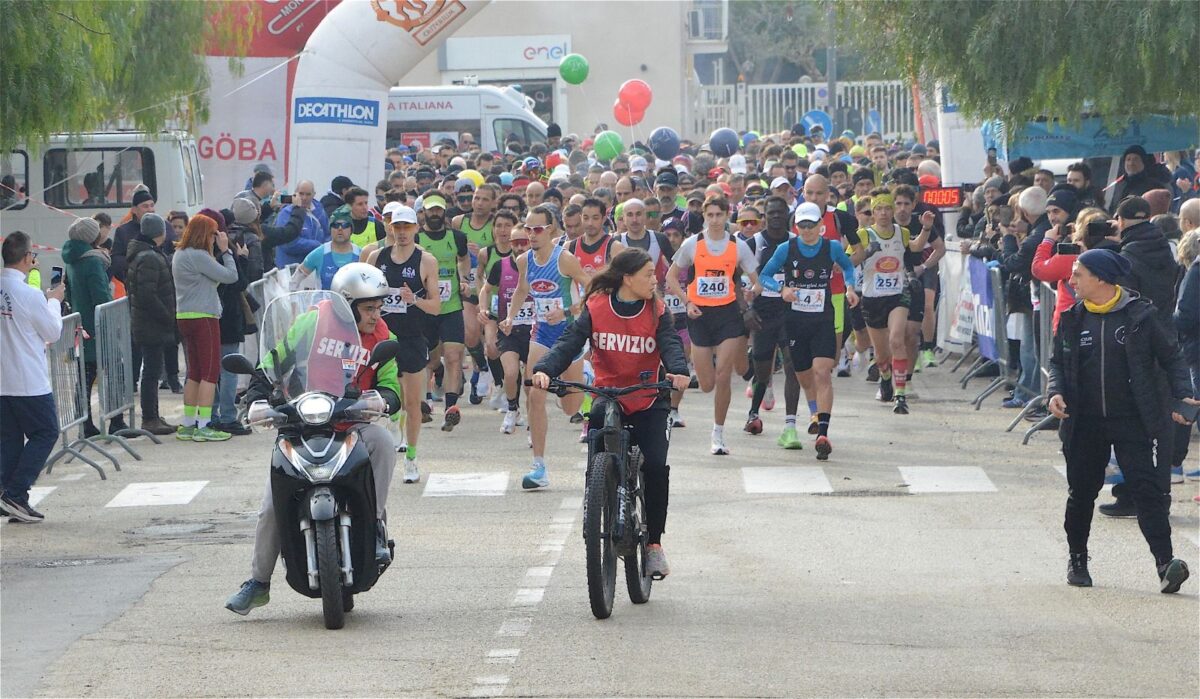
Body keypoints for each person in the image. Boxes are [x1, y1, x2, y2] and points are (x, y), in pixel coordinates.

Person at [224, 263, 401, 615]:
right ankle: (258, 582)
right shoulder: (313, 321)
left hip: (351, 420)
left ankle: (376, 527)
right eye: (368, 308)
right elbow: (274, 360)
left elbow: (392, 385)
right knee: (272, 503)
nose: (375, 315)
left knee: (382, 441)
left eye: (378, 308)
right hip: (302, 418)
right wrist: (257, 396)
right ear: (346, 305)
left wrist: (383, 400)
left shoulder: (382, 336)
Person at [531, 247, 690, 577]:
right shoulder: (596, 306)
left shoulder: (656, 309)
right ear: (627, 279)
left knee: (656, 467)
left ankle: (654, 546)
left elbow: (670, 343)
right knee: (599, 435)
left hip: (648, 397)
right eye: (648, 274)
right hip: (608, 393)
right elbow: (569, 342)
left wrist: (677, 371)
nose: (654, 280)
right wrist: (545, 369)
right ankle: (598, 490)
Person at [1047, 249, 1195, 593]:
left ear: (1100, 278)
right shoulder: (1073, 318)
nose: (1072, 281)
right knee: (1082, 493)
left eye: (1078, 274)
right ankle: (1078, 558)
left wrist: (1182, 396)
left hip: (1135, 420)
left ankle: (1165, 564)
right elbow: (1057, 362)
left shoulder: (1141, 315)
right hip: (1084, 422)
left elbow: (1173, 358)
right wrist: (1055, 392)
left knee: (1148, 491)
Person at [500, 204, 591, 488]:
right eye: (528, 229)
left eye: (537, 229)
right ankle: (539, 467)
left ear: (551, 230)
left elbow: (590, 289)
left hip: (570, 334)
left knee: (570, 407)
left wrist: (567, 311)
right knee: (534, 393)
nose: (531, 234)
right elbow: (522, 290)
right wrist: (511, 317)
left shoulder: (564, 259)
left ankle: (585, 375)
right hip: (541, 334)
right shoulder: (525, 259)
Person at [760, 202, 860, 458]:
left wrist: (850, 287)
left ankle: (823, 432)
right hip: (795, 322)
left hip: (823, 319)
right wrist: (782, 290)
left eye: (811, 225)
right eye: (802, 225)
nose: (806, 230)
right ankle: (814, 411)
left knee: (823, 372)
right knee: (804, 375)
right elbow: (764, 276)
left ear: (820, 226)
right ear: (796, 226)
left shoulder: (832, 247)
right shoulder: (787, 248)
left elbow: (848, 266)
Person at [664, 196, 761, 455]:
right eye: (711, 215)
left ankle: (718, 433)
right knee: (706, 383)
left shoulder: (737, 245)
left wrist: (752, 291)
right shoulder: (692, 244)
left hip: (728, 315)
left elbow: (756, 280)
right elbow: (671, 276)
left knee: (723, 375)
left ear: (727, 215)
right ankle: (740, 357)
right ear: (705, 217)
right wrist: (687, 302)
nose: (715, 220)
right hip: (700, 316)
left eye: (720, 214)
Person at [370, 205, 441, 485]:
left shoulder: (426, 261)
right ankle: (388, 438)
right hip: (384, 337)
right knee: (384, 398)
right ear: (390, 228)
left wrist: (415, 300)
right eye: (396, 227)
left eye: (406, 227)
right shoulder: (376, 257)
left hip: (413, 337)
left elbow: (436, 306)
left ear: (415, 229)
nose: (401, 233)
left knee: (413, 401)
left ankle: (411, 457)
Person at [0, 231, 65, 522]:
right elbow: (52, 331)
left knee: (10, 438)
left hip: (3, 377)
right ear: (27, 258)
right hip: (27, 377)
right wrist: (53, 301)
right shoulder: (29, 294)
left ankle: (10, 494)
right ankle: (16, 492)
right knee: (47, 431)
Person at [857, 190, 933, 414]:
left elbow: (917, 246)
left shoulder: (902, 232)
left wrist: (927, 228)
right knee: (881, 356)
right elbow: (849, 259)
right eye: (878, 209)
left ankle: (900, 394)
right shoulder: (864, 234)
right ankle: (885, 377)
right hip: (872, 298)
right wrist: (867, 252)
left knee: (897, 340)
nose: (883, 213)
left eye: (887, 208)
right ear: (873, 212)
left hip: (898, 295)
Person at [743, 196, 804, 447]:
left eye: (781, 212)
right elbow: (733, 277)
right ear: (764, 217)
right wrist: (745, 309)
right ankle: (754, 413)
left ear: (787, 215)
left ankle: (790, 425)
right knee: (762, 370)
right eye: (771, 213)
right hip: (763, 314)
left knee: (792, 368)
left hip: (791, 313)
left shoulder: (796, 243)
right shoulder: (754, 243)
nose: (776, 217)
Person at [172, 213, 240, 442]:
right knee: (210, 373)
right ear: (204, 234)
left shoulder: (179, 254)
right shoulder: (199, 255)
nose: (215, 238)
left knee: (194, 372)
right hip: (204, 317)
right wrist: (226, 251)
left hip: (184, 315)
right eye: (213, 234)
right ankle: (204, 424)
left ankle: (189, 423)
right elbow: (231, 276)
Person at [416, 193, 472, 431]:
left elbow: (464, 259)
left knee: (453, 356)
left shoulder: (457, 237)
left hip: (451, 306)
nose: (435, 214)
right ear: (424, 213)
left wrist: (464, 278)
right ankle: (426, 402)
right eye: (431, 210)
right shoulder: (416, 238)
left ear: (444, 211)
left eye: (439, 210)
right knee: (427, 359)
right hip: (427, 307)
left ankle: (451, 408)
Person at [210, 205, 263, 435]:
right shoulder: (222, 251)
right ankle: (228, 416)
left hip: (213, 316)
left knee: (211, 369)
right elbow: (237, 282)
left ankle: (211, 415)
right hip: (227, 316)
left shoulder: (200, 251)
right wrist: (240, 258)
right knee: (227, 369)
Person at [124, 214, 179, 436]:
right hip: (151, 323)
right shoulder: (149, 257)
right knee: (151, 371)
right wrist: (167, 315)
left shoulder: (146, 254)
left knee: (153, 370)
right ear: (160, 233)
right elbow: (147, 294)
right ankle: (149, 418)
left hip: (149, 322)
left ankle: (153, 414)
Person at [480, 215, 531, 432]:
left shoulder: (539, 265)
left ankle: (532, 420)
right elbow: (486, 289)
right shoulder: (501, 266)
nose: (519, 247)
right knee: (510, 373)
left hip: (535, 332)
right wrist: (483, 309)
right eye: (515, 243)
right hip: (508, 330)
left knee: (531, 381)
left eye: (523, 242)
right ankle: (512, 409)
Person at [291, 206, 361, 290]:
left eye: (345, 225)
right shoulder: (319, 253)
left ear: (351, 229)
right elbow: (294, 282)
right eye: (335, 225)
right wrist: (294, 302)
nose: (340, 229)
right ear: (330, 229)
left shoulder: (361, 254)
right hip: (324, 302)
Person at [273, 180, 327, 269]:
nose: (304, 198)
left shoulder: (320, 212)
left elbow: (327, 234)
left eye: (308, 194)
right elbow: (287, 244)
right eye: (301, 194)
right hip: (291, 269)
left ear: (314, 194)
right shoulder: (286, 213)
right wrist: (317, 246)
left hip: (314, 268)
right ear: (295, 194)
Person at [111, 190, 155, 282]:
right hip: (134, 283)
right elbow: (116, 260)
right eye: (145, 206)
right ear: (134, 210)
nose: (150, 210)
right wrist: (139, 264)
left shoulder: (164, 227)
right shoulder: (123, 231)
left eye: (152, 205)